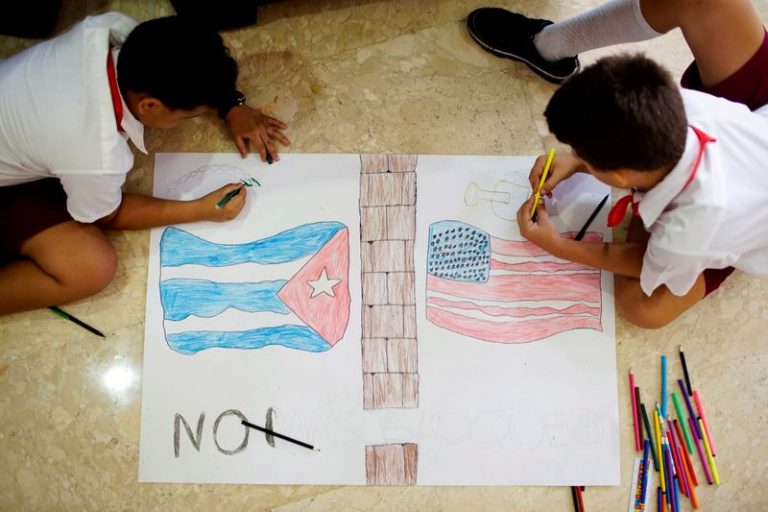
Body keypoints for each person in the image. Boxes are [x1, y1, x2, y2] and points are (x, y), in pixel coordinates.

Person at [470, 0, 768, 328]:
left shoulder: (690, 229)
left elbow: (643, 263)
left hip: (745, 227)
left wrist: (559, 246)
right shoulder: (680, 105)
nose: (575, 155)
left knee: (642, 308)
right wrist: (579, 162)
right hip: (753, 143)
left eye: (582, 153)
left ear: (620, 176)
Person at [0, 12, 291, 316]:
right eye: (188, 116)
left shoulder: (108, 28)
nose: (190, 121)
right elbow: (107, 215)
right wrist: (200, 210)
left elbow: (188, 61)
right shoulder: (97, 152)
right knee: (92, 267)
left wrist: (232, 106)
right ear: (150, 105)